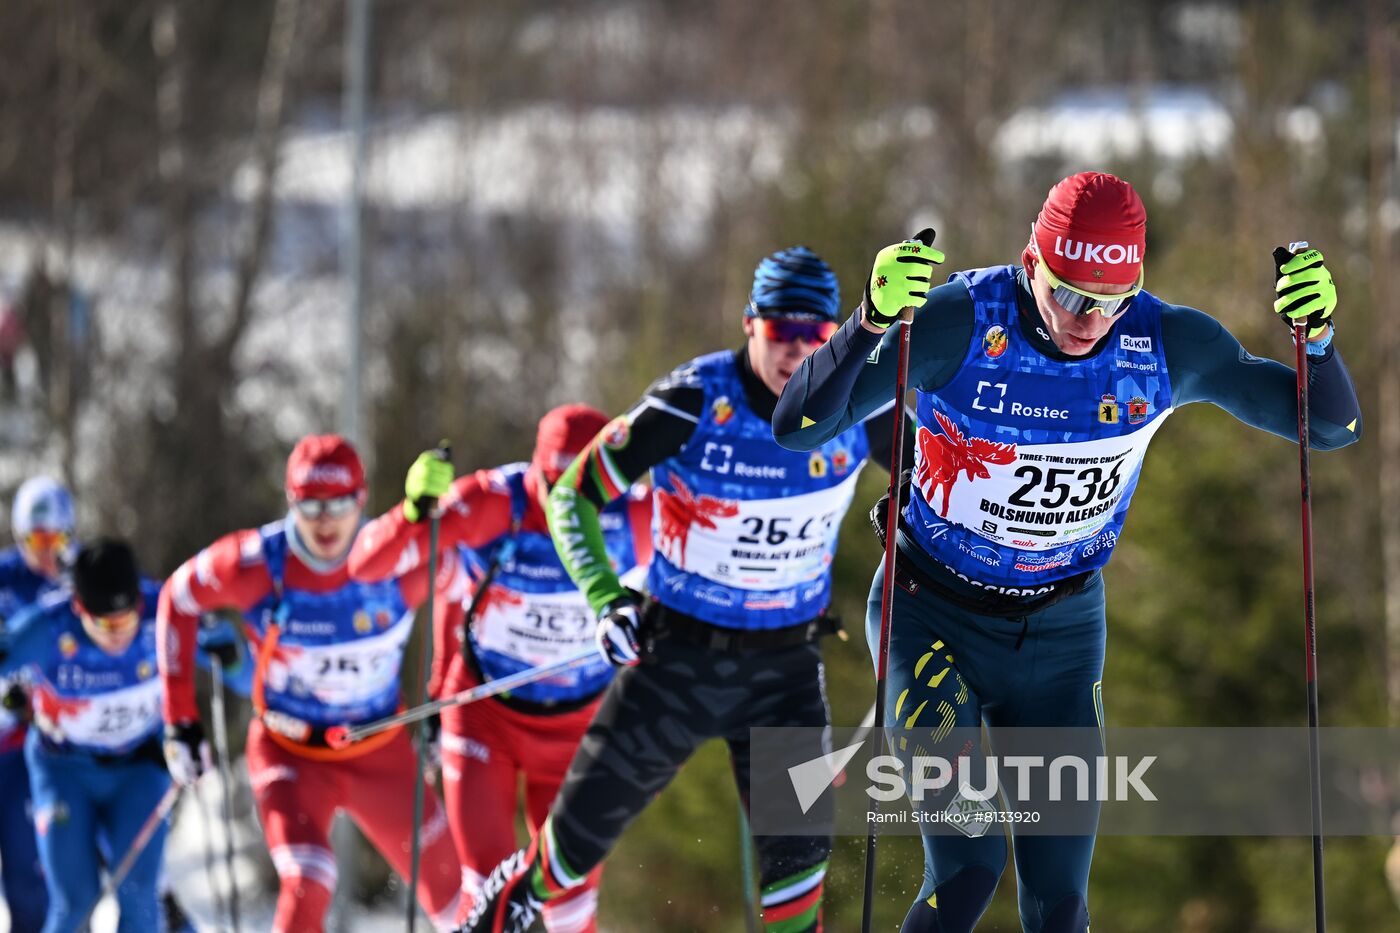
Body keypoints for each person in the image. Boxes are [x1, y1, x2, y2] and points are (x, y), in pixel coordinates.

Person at [772, 171, 1363, 932]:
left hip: (1060, 639)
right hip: (931, 618)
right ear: (1030, 265)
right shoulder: (958, 323)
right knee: (971, 866)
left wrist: (1317, 340)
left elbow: (1332, 430)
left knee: (1059, 902)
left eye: (1113, 299)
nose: (1091, 320)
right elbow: (799, 425)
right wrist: (868, 322)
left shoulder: (1167, 344)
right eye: (1072, 295)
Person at [461, 246, 912, 933]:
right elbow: (573, 497)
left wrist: (909, 525)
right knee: (567, 856)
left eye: (815, 333)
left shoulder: (860, 400)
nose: (796, 350)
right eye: (778, 331)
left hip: (785, 672)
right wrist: (607, 596)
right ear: (748, 323)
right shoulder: (695, 399)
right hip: (675, 660)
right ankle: (510, 901)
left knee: (798, 886)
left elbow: (939, 486)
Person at [349, 404, 654, 933]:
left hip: (578, 728)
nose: (565, 503)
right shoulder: (493, 504)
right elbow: (366, 566)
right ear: (534, 468)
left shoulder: (634, 518)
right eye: (552, 483)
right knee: (487, 888)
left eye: (581, 486)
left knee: (571, 898)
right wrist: (411, 512)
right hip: (485, 717)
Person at [157, 433, 464, 931]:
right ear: (291, 501)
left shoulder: (397, 562)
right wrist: (179, 721)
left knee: (459, 900)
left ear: (361, 501)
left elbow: (459, 580)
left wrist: (442, 698)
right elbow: (178, 597)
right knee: (309, 879)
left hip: (379, 753)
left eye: (339, 502)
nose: (325, 519)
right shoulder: (256, 564)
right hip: (290, 754)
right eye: (310, 504)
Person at [0, 539, 167, 932]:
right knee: (75, 901)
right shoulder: (47, 627)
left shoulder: (161, 609)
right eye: (107, 624)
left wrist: (226, 654)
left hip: (138, 767)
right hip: (63, 770)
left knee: (141, 896)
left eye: (129, 618)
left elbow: (243, 672)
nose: (120, 632)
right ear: (79, 607)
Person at [0, 478, 75, 931]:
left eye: (57, 538)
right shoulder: (5, 579)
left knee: (55, 881)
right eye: (36, 540)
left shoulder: (85, 575)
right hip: (10, 743)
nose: (48, 552)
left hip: (63, 746)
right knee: (24, 882)